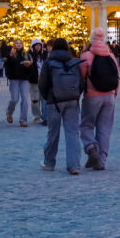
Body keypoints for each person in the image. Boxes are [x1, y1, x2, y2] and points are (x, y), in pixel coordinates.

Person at [39, 38, 83, 174]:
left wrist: (48, 98)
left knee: (53, 133)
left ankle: (49, 163)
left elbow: (42, 84)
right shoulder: (74, 62)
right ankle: (74, 165)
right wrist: (75, 95)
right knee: (73, 133)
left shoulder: (48, 63)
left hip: (54, 102)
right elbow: (81, 83)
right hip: (72, 101)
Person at [79, 27, 120, 170]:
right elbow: (117, 77)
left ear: (91, 40)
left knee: (86, 125)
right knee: (105, 129)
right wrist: (114, 93)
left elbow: (81, 77)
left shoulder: (86, 56)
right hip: (109, 96)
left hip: (92, 96)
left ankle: (91, 148)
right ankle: (101, 162)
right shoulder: (111, 55)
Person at [5, 39, 31, 127]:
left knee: (25, 99)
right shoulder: (11, 54)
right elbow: (6, 65)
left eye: (20, 43)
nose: (19, 44)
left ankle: (23, 120)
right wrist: (10, 56)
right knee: (14, 99)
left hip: (24, 79)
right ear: (14, 45)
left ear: (23, 45)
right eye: (17, 43)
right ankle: (9, 113)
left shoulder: (26, 54)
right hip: (14, 79)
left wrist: (28, 66)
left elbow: (30, 68)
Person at [28, 38, 47, 124]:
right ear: (33, 46)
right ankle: (36, 116)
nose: (38, 47)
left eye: (39, 45)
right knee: (35, 99)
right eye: (36, 45)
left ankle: (44, 115)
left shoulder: (45, 55)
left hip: (43, 80)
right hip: (33, 80)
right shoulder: (29, 55)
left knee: (44, 99)